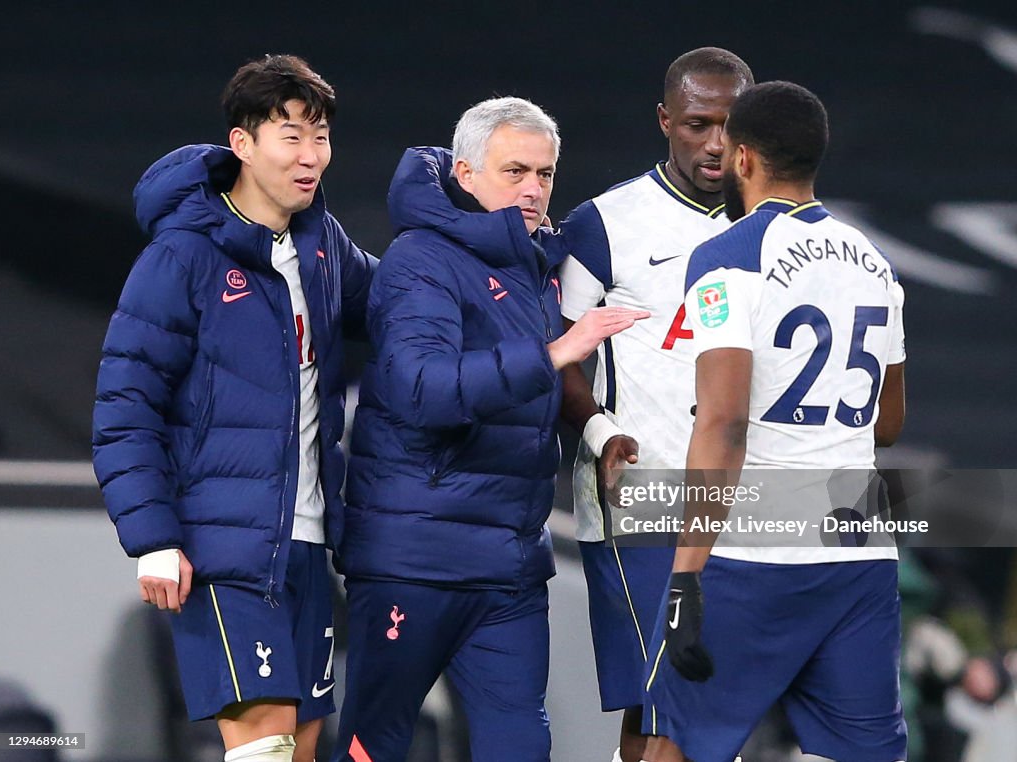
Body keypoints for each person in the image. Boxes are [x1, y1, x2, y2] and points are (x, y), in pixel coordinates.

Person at [331, 97, 649, 762]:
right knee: (374, 744)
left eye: (545, 173)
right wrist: (556, 354)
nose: (534, 189)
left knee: (520, 745)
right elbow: (423, 392)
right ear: (465, 173)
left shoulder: (530, 265)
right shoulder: (421, 261)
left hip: (508, 566)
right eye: (515, 172)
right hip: (413, 561)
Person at [92, 54, 376, 762]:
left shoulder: (322, 244)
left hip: (308, 542)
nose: (311, 157)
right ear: (242, 145)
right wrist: (154, 538)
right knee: (265, 744)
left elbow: (404, 307)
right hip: (220, 547)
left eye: (321, 137)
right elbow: (125, 406)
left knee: (303, 747)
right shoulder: (182, 256)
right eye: (291, 137)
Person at [643, 81, 908, 762]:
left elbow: (725, 425)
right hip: (859, 547)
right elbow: (887, 423)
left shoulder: (729, 255)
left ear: (744, 158)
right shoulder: (877, 264)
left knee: (677, 743)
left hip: (757, 551)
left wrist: (684, 576)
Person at [557, 48, 753, 762]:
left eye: (730, 126)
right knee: (675, 698)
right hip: (637, 491)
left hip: (740, 497)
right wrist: (602, 431)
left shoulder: (773, 231)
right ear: (666, 120)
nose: (714, 143)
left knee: (689, 704)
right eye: (698, 124)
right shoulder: (605, 223)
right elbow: (558, 354)